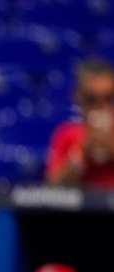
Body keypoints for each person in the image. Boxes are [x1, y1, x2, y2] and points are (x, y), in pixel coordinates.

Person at [46, 58, 114, 189]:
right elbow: (52, 187)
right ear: (78, 97)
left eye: (109, 98)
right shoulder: (66, 134)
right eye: (92, 99)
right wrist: (81, 152)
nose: (101, 106)